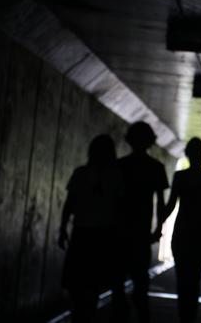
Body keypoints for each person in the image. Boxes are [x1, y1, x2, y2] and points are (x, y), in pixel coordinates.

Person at [58, 134, 124, 323]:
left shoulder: (80, 173)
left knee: (76, 283)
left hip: (82, 233)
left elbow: (69, 204)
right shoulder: (116, 176)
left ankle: (77, 316)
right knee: (93, 285)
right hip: (103, 235)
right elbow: (119, 208)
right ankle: (87, 316)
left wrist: (63, 228)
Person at [110, 121, 169, 323]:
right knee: (140, 283)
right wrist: (158, 229)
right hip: (141, 233)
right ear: (150, 142)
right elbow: (161, 203)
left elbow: (112, 200)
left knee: (117, 282)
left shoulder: (119, 166)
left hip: (119, 232)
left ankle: (121, 314)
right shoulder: (156, 168)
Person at [162, 137, 201, 323]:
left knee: (182, 277)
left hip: (182, 231)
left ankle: (183, 316)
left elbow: (171, 205)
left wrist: (158, 226)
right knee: (195, 277)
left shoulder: (180, 177)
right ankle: (191, 317)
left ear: (187, 154)